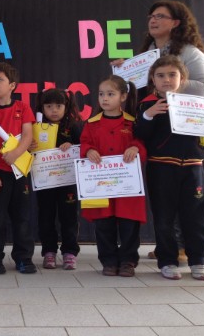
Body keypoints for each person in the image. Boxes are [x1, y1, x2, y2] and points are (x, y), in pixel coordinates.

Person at [114, 0, 204, 262]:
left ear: (176, 22)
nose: (153, 20)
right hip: (156, 131)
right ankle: (168, 249)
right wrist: (125, 71)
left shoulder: (190, 52)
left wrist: (172, 83)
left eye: (160, 16)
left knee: (188, 202)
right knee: (164, 202)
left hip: (183, 133)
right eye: (151, 16)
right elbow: (138, 89)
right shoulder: (147, 53)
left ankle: (186, 251)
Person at [135, 55, 204, 281]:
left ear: (182, 78)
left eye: (172, 74)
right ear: (152, 79)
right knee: (164, 217)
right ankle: (167, 261)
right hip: (161, 168)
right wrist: (148, 115)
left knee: (196, 216)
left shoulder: (197, 104)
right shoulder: (146, 105)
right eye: (160, 75)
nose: (166, 79)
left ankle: (199, 260)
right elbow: (140, 135)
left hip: (193, 167)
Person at [80, 75, 146, 277]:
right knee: (104, 225)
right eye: (101, 94)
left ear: (123, 96)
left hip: (128, 187)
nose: (105, 98)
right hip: (102, 185)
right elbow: (84, 143)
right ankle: (108, 261)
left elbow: (143, 144)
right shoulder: (91, 123)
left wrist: (135, 147)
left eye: (110, 94)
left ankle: (128, 261)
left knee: (129, 224)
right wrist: (89, 150)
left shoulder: (133, 122)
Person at [0, 62, 36, 274]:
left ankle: (24, 258)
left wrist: (16, 153)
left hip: (19, 170)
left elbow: (28, 135)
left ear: (12, 85)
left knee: (22, 217)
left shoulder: (23, 107)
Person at [31, 88, 83, 270]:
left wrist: (73, 145)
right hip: (45, 182)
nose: (54, 110)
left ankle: (70, 252)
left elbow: (84, 148)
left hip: (68, 182)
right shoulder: (36, 127)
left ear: (66, 106)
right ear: (42, 108)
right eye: (49, 106)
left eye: (58, 106)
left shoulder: (74, 126)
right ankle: (49, 251)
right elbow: (28, 151)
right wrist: (30, 145)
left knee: (69, 217)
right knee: (46, 217)